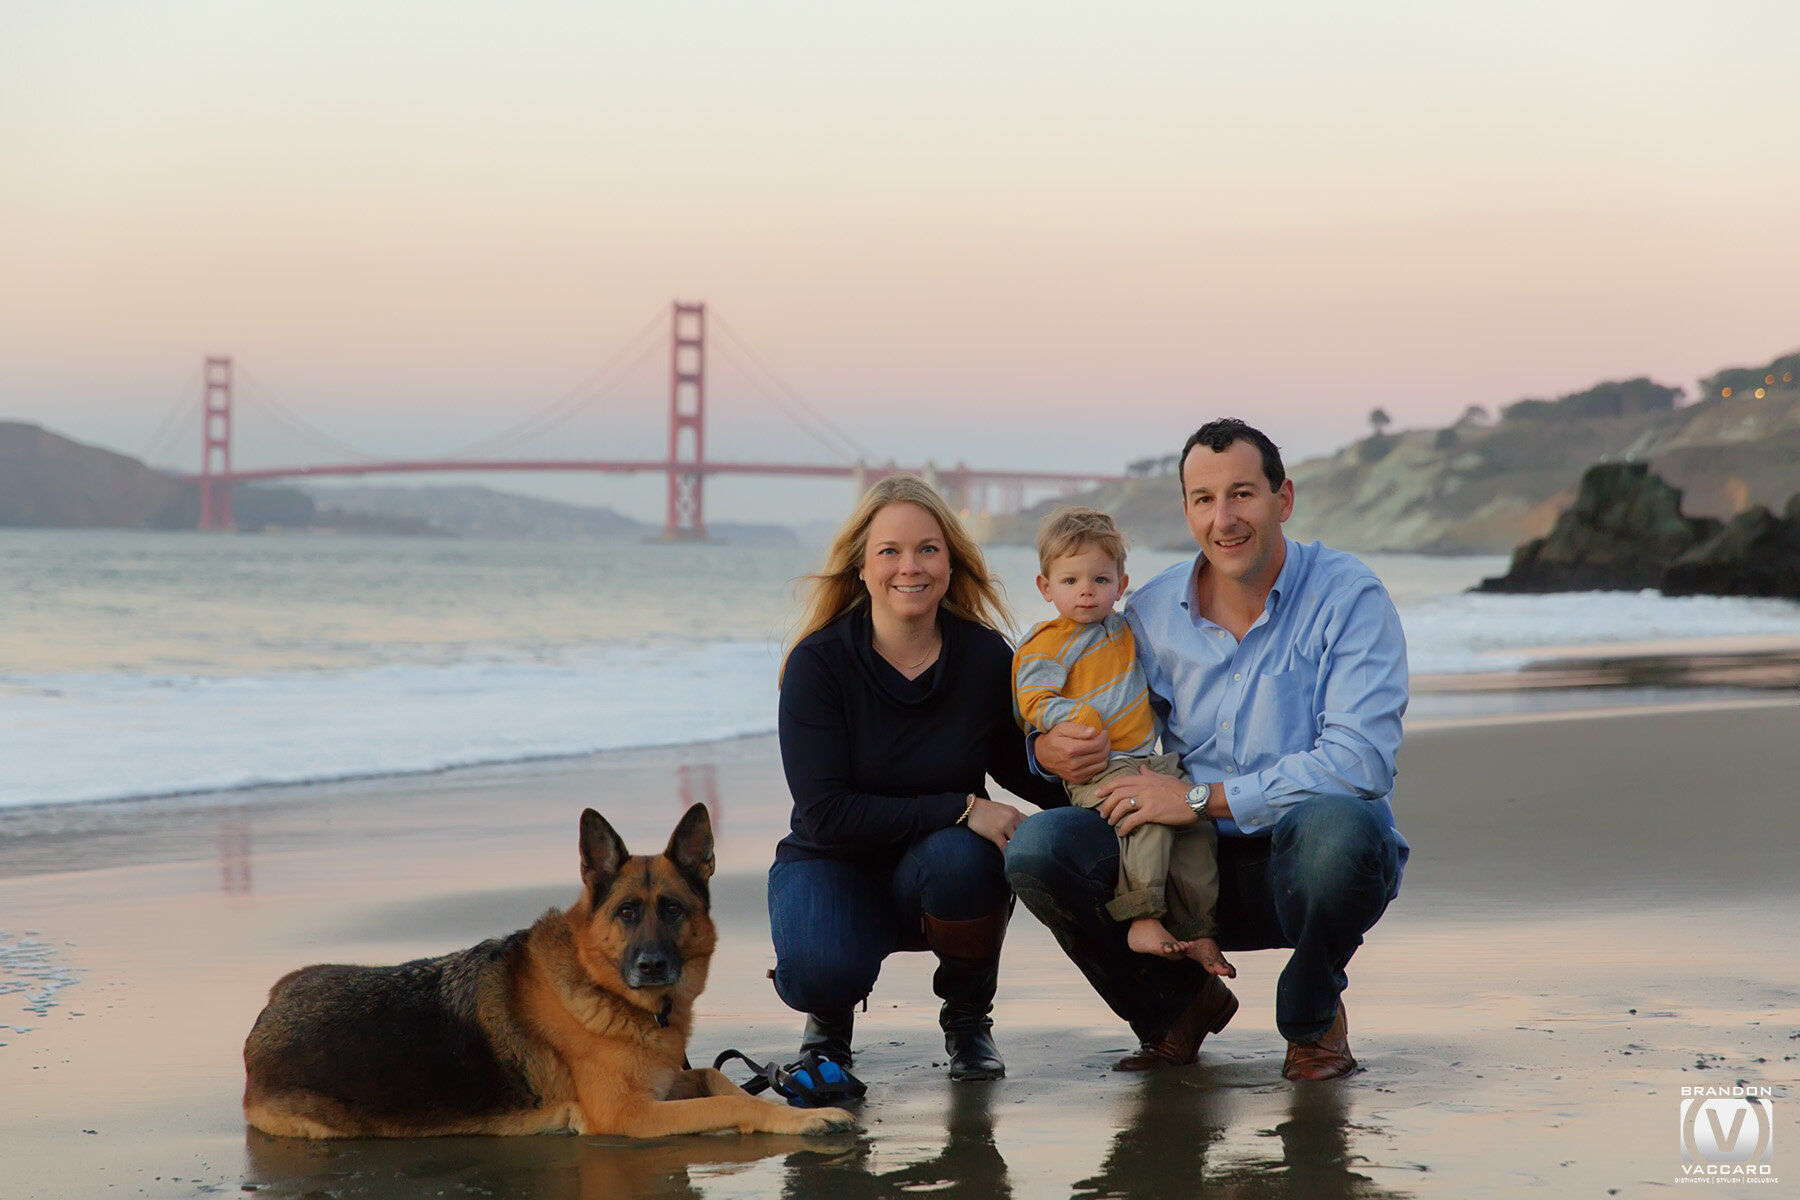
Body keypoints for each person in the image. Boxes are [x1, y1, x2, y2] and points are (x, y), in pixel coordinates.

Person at [1004, 419, 1408, 1081]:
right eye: (1203, 500)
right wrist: (1049, 749)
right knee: (1040, 849)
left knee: (1345, 826)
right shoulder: (1151, 610)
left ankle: (1312, 1016)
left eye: (1243, 494)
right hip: (1186, 869)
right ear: (1188, 510)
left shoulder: (1347, 596)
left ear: (1284, 500)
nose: (1224, 519)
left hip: (1304, 864)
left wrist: (1197, 798)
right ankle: (1175, 1010)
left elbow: (1362, 762)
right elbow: (1103, 710)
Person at [770, 474, 1067, 1083]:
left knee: (968, 858)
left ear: (951, 563)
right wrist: (962, 806)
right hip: (832, 862)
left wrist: (1098, 776)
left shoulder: (985, 656)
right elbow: (827, 814)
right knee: (818, 968)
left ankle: (967, 1021)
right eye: (890, 551)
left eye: (928, 549)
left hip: (936, 874)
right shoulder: (817, 665)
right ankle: (827, 1028)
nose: (911, 566)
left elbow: (1025, 772)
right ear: (861, 567)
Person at [1011, 507, 1233, 977]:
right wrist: (1076, 717)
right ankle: (1142, 916)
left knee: (1195, 825)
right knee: (1147, 813)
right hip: (1100, 765)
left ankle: (1199, 927)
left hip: (1144, 759)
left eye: (1100, 578)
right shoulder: (1046, 643)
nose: (1086, 590)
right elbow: (1031, 699)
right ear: (1045, 587)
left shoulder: (1127, 630)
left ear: (1122, 582)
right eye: (1069, 581)